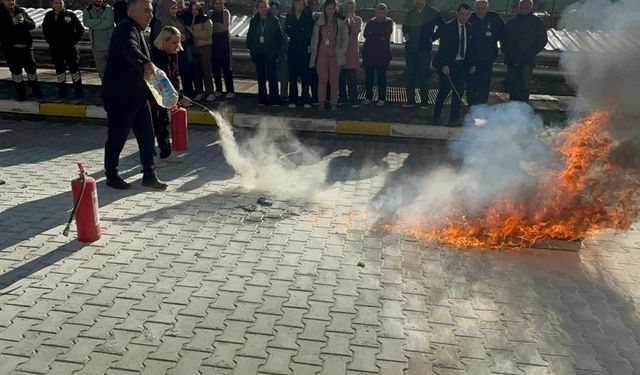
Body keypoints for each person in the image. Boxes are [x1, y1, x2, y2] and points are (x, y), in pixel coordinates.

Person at [102, 0, 167, 190]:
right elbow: (130, 49)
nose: (151, 15)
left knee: (147, 136)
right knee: (117, 136)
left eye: (152, 11)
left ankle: (149, 174)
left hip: (138, 96)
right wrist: (146, 63)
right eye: (146, 10)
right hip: (120, 97)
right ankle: (111, 175)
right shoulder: (126, 28)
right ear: (131, 11)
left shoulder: (138, 29)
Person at [151, 26, 190, 167]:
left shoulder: (173, 53)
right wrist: (178, 98)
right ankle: (151, 157)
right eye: (174, 43)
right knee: (153, 126)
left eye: (178, 42)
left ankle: (166, 154)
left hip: (166, 96)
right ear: (164, 41)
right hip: (154, 97)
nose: (177, 46)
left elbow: (175, 75)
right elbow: (162, 83)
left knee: (163, 124)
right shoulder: (156, 56)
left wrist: (178, 96)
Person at [432, 3, 473, 126]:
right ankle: (436, 117)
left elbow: (469, 48)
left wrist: (471, 64)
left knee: (458, 92)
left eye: (467, 15)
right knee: (444, 91)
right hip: (447, 64)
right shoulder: (448, 27)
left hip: (461, 65)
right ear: (457, 13)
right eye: (462, 14)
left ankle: (454, 119)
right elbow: (443, 48)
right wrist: (444, 64)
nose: (464, 17)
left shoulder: (470, 27)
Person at [502, 0, 547, 103]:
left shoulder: (537, 23)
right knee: (512, 85)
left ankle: (523, 109)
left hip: (527, 60)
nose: (523, 10)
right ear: (518, 7)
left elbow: (542, 40)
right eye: (522, 8)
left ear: (531, 8)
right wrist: (506, 51)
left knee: (524, 86)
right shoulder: (511, 22)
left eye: (526, 8)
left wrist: (532, 52)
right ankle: (512, 109)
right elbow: (503, 39)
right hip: (512, 59)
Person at [401, 0, 443, 109]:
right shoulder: (410, 12)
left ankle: (424, 102)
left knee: (423, 76)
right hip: (410, 49)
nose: (417, 1)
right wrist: (405, 33)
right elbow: (405, 26)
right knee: (410, 76)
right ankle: (410, 100)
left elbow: (443, 27)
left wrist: (433, 38)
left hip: (424, 50)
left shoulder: (433, 12)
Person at [0, 0, 43, 101]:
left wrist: (24, 21)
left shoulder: (20, 10)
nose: (11, 2)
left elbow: (32, 25)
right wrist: (11, 22)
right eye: (8, 0)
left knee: (31, 70)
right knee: (16, 72)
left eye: (13, 0)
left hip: (26, 47)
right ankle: (21, 93)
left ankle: (36, 91)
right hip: (10, 49)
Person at [309, 0, 348, 111]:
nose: (330, 11)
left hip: (335, 55)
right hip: (321, 54)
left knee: (334, 79)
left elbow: (345, 39)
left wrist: (342, 51)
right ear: (324, 9)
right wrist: (313, 52)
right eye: (328, 8)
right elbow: (314, 39)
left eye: (332, 8)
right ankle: (321, 101)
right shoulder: (318, 21)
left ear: (335, 9)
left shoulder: (340, 22)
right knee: (322, 79)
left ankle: (333, 102)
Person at [42, 0, 85, 99]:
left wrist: (72, 41)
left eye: (60, 3)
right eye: (56, 3)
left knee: (74, 69)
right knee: (60, 70)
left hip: (69, 48)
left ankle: (78, 92)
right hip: (56, 49)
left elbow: (80, 29)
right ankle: (62, 92)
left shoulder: (70, 15)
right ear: (52, 4)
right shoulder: (48, 16)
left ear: (63, 4)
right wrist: (50, 41)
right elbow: (45, 30)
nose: (58, 5)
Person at [467, 0, 504, 105]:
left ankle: (482, 107)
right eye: (478, 8)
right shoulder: (470, 18)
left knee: (484, 85)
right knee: (471, 85)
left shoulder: (494, 18)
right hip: (471, 59)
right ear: (474, 8)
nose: (480, 10)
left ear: (487, 8)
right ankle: (471, 107)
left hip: (487, 59)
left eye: (482, 8)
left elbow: (503, 32)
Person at [246, 0, 282, 106]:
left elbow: (279, 38)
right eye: (260, 7)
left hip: (270, 54)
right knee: (261, 78)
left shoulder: (274, 20)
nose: (263, 9)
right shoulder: (254, 21)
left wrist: (275, 53)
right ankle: (262, 100)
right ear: (257, 9)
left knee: (272, 77)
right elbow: (250, 37)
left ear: (268, 7)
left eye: (264, 7)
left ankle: (274, 99)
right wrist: (252, 51)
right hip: (258, 54)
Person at [361, 3, 392, 107]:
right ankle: (368, 97)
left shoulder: (389, 22)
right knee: (369, 77)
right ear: (375, 12)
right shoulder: (370, 22)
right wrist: (378, 35)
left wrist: (373, 33)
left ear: (386, 13)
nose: (381, 14)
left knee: (381, 78)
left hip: (383, 55)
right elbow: (365, 35)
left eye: (383, 12)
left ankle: (382, 98)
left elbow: (386, 33)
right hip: (369, 54)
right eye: (379, 12)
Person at [285, 0, 314, 108]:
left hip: (304, 51)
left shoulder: (308, 17)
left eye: (302, 4)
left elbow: (310, 32)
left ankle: (306, 99)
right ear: (294, 4)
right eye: (298, 3)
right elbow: (287, 31)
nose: (300, 6)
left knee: (305, 76)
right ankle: (293, 99)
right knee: (292, 76)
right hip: (293, 51)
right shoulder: (289, 17)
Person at [185, 0, 215, 101]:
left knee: (206, 69)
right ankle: (199, 91)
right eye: (192, 9)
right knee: (196, 70)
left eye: (196, 9)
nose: (194, 11)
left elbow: (207, 34)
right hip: (194, 48)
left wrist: (193, 32)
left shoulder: (206, 20)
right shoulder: (190, 20)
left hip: (205, 47)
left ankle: (210, 92)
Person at [83, 0, 114, 81]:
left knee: (114, 70)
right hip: (96, 47)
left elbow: (108, 23)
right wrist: (100, 20)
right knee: (101, 72)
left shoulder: (108, 9)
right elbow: (86, 23)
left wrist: (93, 25)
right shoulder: (87, 11)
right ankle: (105, 90)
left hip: (110, 46)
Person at [338, 0, 361, 108]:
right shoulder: (340, 19)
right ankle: (342, 97)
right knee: (341, 76)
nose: (349, 10)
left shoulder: (358, 19)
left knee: (352, 77)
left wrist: (350, 19)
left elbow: (355, 31)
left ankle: (353, 99)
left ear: (354, 8)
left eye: (351, 8)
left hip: (352, 52)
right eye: (347, 8)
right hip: (342, 51)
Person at [210, 0, 235, 98]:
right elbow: (209, 27)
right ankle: (219, 89)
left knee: (226, 68)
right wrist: (215, 27)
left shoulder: (226, 12)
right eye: (216, 3)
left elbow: (225, 27)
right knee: (215, 68)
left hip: (224, 44)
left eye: (220, 3)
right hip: (214, 44)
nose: (218, 5)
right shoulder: (210, 13)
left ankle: (230, 90)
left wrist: (214, 26)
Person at [270, 0, 289, 104]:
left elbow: (287, 36)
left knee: (284, 74)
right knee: (272, 74)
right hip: (272, 52)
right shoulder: (268, 21)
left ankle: (284, 94)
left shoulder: (284, 20)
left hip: (283, 51)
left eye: (275, 9)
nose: (274, 11)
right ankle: (273, 94)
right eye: (272, 9)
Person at [307, 0, 321, 104]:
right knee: (311, 74)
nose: (314, 6)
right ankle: (313, 96)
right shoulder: (307, 17)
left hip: (321, 50)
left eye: (316, 4)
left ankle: (321, 96)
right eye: (312, 4)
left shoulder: (323, 17)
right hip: (309, 50)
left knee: (321, 75)